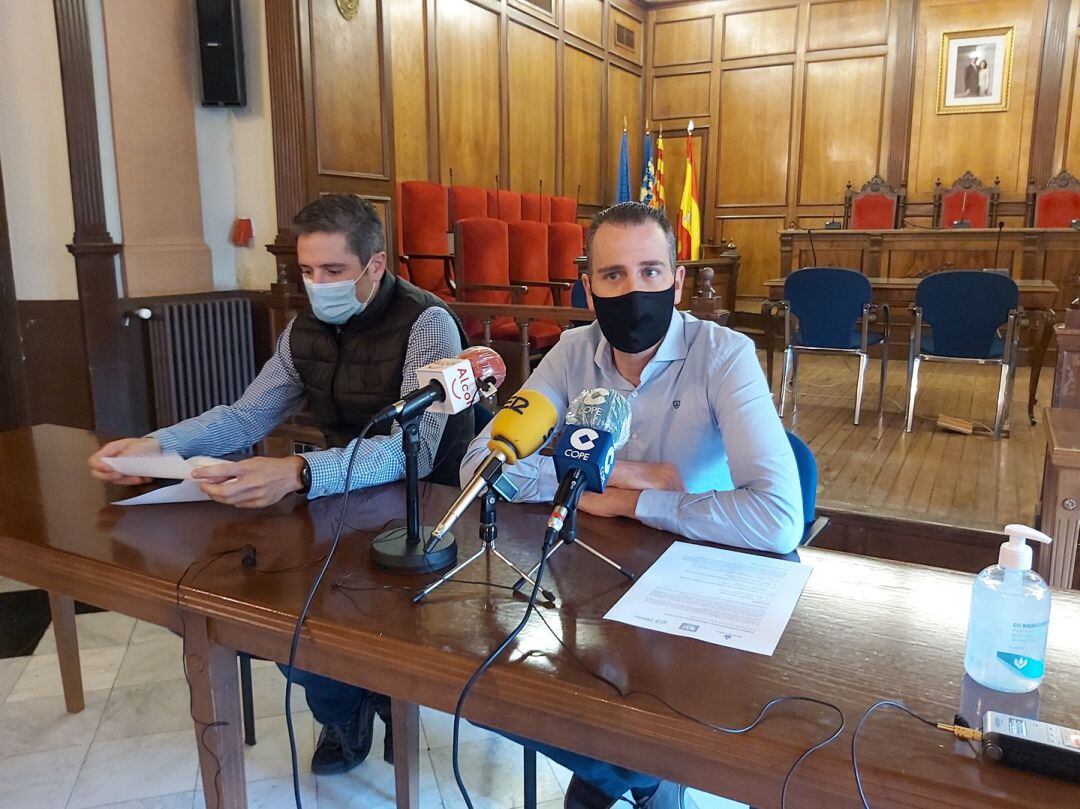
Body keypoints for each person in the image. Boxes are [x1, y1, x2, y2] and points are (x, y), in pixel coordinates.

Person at [88, 194, 474, 776]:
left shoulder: (428, 322)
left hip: (425, 508)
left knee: (361, 617)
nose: (319, 286)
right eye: (309, 272)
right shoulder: (304, 329)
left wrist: (298, 472)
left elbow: (413, 450)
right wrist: (159, 443)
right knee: (286, 615)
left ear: (375, 264)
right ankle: (346, 710)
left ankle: (388, 693)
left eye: (335, 271)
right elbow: (248, 416)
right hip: (336, 492)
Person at [459, 202, 802, 809]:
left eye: (650, 271)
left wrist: (636, 505)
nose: (634, 289)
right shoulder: (570, 352)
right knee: (484, 688)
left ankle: (633, 772)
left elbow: (778, 519)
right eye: (613, 276)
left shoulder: (725, 355)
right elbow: (481, 465)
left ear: (677, 278)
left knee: (608, 737)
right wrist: (620, 476)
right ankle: (644, 776)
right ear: (588, 287)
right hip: (589, 579)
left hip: (694, 583)